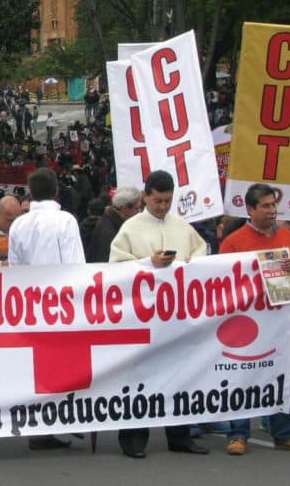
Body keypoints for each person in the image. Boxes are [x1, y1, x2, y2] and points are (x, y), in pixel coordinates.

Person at [108, 170, 208, 458]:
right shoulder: (130, 228)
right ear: (145, 197)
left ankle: (180, 435)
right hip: (143, 315)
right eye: (158, 201)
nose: (163, 206)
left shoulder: (182, 225)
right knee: (139, 378)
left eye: (167, 201)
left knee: (181, 375)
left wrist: (190, 262)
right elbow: (116, 266)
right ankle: (133, 438)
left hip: (177, 314)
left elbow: (201, 250)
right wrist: (147, 262)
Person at [220, 183, 290, 455]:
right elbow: (222, 281)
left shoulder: (286, 236)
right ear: (250, 210)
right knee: (243, 375)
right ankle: (238, 434)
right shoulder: (234, 242)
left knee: (286, 372)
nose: (272, 210)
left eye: (274, 205)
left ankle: (284, 433)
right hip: (248, 321)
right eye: (266, 206)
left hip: (282, 319)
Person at [7, 168, 83, 450]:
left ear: (31, 192)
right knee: (64, 365)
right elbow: (75, 265)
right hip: (62, 303)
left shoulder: (18, 225)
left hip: (30, 303)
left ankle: (40, 428)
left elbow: (15, 268)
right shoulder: (66, 220)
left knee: (35, 369)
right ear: (56, 190)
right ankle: (61, 419)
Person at [86, 187, 140, 263]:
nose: (139, 212)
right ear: (124, 209)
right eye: (137, 209)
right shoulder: (108, 231)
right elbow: (105, 263)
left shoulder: (114, 221)